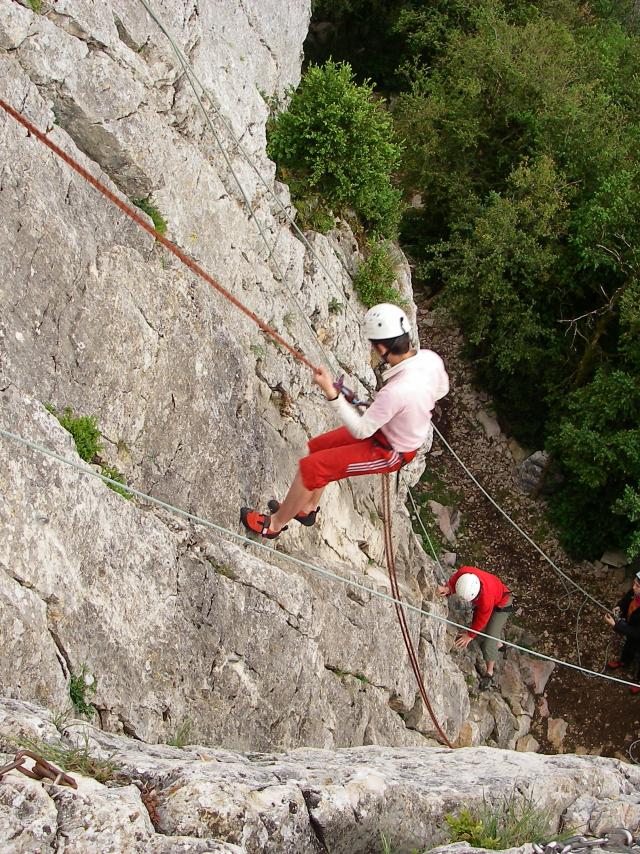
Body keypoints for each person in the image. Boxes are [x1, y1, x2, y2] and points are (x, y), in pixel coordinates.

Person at [240, 303, 449, 538]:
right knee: (317, 448)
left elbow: (361, 430)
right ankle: (307, 508)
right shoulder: (430, 359)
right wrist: (406, 410)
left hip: (391, 451)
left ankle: (275, 525)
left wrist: (332, 393)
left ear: (381, 347)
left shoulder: (397, 391)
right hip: (387, 432)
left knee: (310, 468)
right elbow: (441, 389)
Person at [438, 566, 513, 691]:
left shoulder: (486, 600)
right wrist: (448, 588)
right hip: (496, 591)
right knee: (487, 628)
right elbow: (455, 580)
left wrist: (470, 635)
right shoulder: (465, 574)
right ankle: (499, 644)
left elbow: (481, 620)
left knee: (489, 640)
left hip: (503, 602)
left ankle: (489, 672)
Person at [604, 571, 640, 694]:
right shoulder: (635, 593)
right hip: (633, 630)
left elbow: (637, 632)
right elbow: (626, 599)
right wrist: (620, 606)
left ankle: (638, 680)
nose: (633, 587)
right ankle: (624, 661)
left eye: (637, 586)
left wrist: (616, 625)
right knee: (629, 646)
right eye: (634, 584)